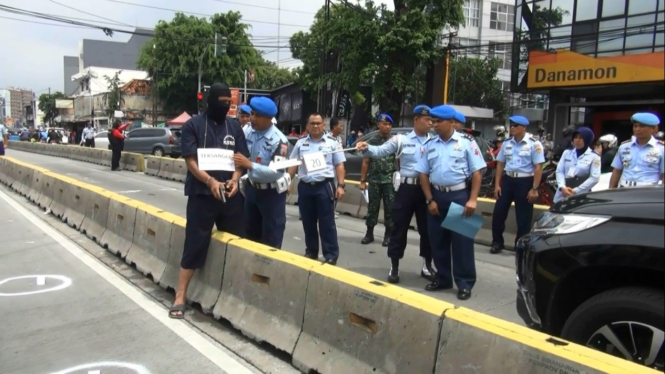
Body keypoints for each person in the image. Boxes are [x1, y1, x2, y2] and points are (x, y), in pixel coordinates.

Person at [168, 82, 248, 319]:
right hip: (202, 194)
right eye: (221, 102)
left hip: (230, 195)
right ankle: (180, 295)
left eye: (228, 103)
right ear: (210, 101)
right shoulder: (194, 125)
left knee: (237, 242)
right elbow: (190, 160)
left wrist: (235, 179)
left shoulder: (234, 127)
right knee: (195, 243)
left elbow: (240, 161)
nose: (225, 107)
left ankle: (236, 297)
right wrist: (209, 181)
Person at [356, 105, 435, 284]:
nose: (430, 122)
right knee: (398, 229)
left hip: (426, 190)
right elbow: (380, 151)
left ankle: (427, 265)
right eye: (427, 119)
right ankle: (394, 266)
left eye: (432, 120)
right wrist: (366, 147)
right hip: (406, 189)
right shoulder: (401, 140)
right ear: (416, 120)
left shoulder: (434, 142)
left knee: (427, 231)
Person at [415, 105, 486, 300]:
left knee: (462, 243)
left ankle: (464, 283)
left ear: (450, 122)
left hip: (459, 196)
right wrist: (429, 199)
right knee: (437, 240)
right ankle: (443, 278)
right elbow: (423, 174)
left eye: (438, 122)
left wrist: (472, 199)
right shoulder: (429, 145)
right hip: (437, 197)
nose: (434, 125)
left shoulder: (466, 143)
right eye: (433, 122)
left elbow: (477, 172)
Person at [288, 113, 346, 265]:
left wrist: (340, 186)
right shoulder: (301, 144)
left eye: (318, 123)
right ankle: (311, 251)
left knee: (327, 222)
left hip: (324, 186)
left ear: (324, 125)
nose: (315, 126)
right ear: (307, 126)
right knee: (308, 221)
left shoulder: (332, 143)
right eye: (312, 123)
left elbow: (339, 165)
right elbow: (294, 163)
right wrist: (288, 181)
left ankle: (331, 254)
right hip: (305, 187)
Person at [234, 96, 290, 248]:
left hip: (271, 195)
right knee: (249, 236)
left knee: (271, 239)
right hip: (252, 191)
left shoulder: (279, 140)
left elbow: (277, 172)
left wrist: (250, 165)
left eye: (257, 116)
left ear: (270, 118)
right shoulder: (248, 132)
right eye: (252, 113)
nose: (252, 118)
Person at [490, 115, 545, 254]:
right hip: (508, 181)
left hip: (525, 181)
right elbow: (500, 164)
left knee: (523, 217)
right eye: (511, 125)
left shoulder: (534, 144)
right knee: (499, 213)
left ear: (524, 128)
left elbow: (538, 167)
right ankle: (497, 242)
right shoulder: (507, 143)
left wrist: (534, 188)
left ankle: (520, 246)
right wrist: (497, 185)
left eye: (515, 126)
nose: (512, 128)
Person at [359, 113, 395, 246]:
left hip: (389, 181)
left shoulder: (394, 142)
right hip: (374, 180)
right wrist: (363, 181)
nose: (387, 127)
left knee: (390, 209)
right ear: (378, 125)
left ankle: (388, 235)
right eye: (385, 124)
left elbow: (398, 162)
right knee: (372, 208)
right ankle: (369, 233)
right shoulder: (372, 142)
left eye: (389, 124)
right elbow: (366, 162)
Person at [610, 113, 664, 188]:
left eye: (642, 126)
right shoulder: (624, 146)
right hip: (624, 189)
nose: (637, 129)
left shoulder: (661, 149)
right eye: (635, 126)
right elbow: (617, 171)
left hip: (648, 191)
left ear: (653, 129)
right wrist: (611, 190)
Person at [553, 127, 601, 203]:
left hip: (581, 194)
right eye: (575, 137)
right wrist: (562, 187)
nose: (577, 140)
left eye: (581, 138)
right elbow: (559, 171)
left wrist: (576, 190)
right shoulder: (567, 153)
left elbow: (595, 178)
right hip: (563, 192)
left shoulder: (594, 157)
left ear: (587, 139)